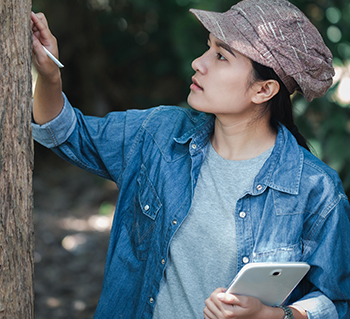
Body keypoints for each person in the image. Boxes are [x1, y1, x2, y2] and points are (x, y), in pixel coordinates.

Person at [31, 0, 350, 318]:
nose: (199, 62)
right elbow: (65, 132)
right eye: (207, 48)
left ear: (263, 90)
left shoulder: (315, 190)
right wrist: (49, 76)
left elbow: (337, 303)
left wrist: (274, 316)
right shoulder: (158, 134)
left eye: (221, 56)